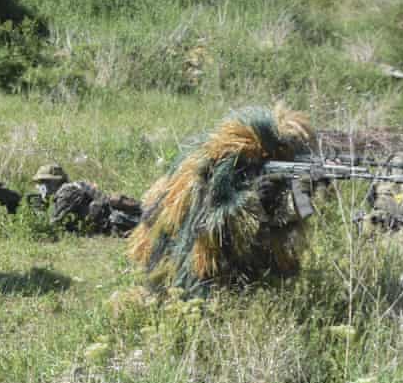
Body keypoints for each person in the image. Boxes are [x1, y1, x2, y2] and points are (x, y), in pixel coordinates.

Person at [128, 104, 315, 295]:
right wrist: (251, 199)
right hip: (192, 246)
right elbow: (205, 229)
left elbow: (291, 220)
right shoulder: (210, 170)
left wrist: (293, 194)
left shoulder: (280, 166)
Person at [30, 163, 141, 236]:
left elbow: (54, 224)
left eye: (44, 182)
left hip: (115, 223)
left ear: (54, 181)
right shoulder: (70, 188)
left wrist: (40, 211)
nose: (41, 187)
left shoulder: (67, 192)